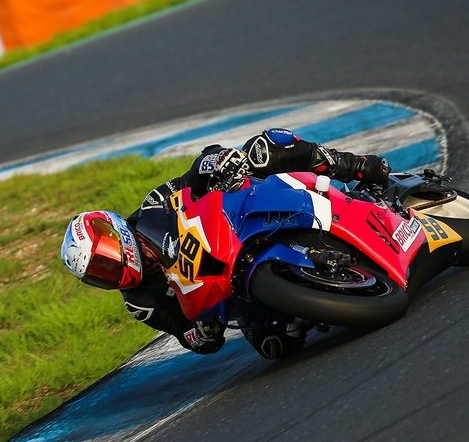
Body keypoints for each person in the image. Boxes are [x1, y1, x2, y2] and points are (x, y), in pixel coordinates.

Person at [61, 128, 390, 359]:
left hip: (239, 223)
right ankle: (317, 292)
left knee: (264, 148)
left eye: (104, 259)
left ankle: (354, 166)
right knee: (274, 347)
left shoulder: (153, 207)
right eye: (99, 274)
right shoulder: (140, 301)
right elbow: (187, 336)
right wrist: (201, 334)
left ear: (115, 231)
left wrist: (218, 162)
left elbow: (194, 174)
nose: (109, 270)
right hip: (233, 292)